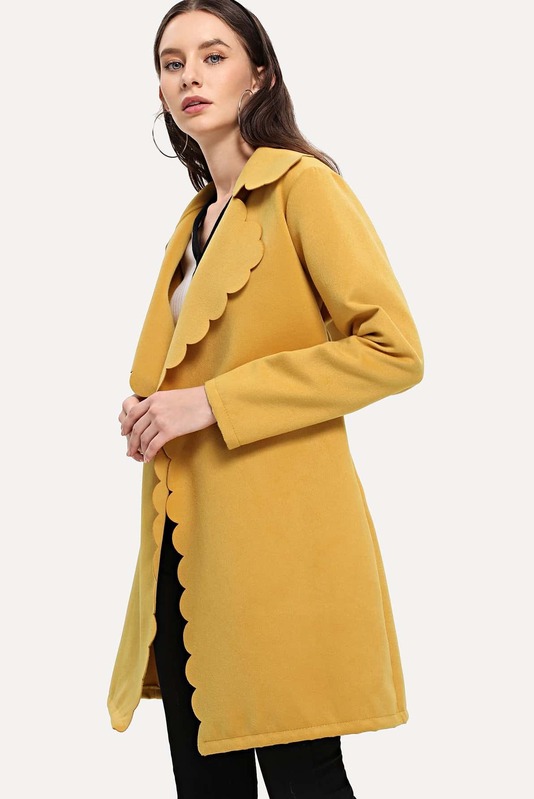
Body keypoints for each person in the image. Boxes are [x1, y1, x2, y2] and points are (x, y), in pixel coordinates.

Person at [107, 1, 424, 796]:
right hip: (185, 546)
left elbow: (393, 350)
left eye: (213, 56)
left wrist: (212, 402)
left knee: (301, 775)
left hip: (280, 549)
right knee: (204, 781)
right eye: (172, 63)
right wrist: (152, 410)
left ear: (260, 74)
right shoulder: (193, 222)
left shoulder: (303, 188)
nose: (190, 76)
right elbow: (185, 373)